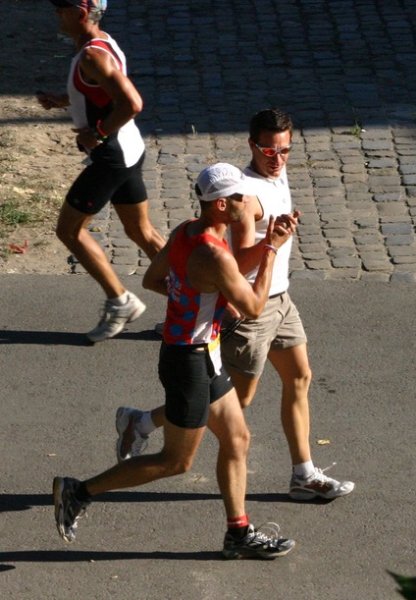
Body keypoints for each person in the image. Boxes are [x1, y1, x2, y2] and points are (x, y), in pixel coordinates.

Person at [53, 163, 296, 559]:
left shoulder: (186, 231)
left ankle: (238, 533)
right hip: (189, 364)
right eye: (238, 196)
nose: (245, 201)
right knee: (176, 461)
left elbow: (153, 280)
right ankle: (78, 491)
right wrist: (270, 248)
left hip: (201, 354)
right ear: (220, 205)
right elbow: (253, 307)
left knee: (237, 438)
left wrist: (199, 302)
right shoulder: (214, 255)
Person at [114, 109, 355, 502]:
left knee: (299, 377)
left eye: (285, 150)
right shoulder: (246, 197)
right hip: (251, 312)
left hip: (281, 300)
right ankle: (143, 421)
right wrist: (271, 243)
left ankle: (303, 474)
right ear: (252, 146)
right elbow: (237, 262)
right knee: (233, 403)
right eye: (268, 150)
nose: (277, 158)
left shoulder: (277, 174)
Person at [38, 0, 165, 343]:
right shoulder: (101, 42)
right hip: (129, 149)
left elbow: (132, 103)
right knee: (141, 231)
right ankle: (195, 300)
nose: (56, 13)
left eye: (62, 8)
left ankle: (120, 301)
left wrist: (97, 133)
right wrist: (64, 99)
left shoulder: (92, 56)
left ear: (81, 13)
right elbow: (101, 91)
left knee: (69, 230)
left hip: (111, 157)